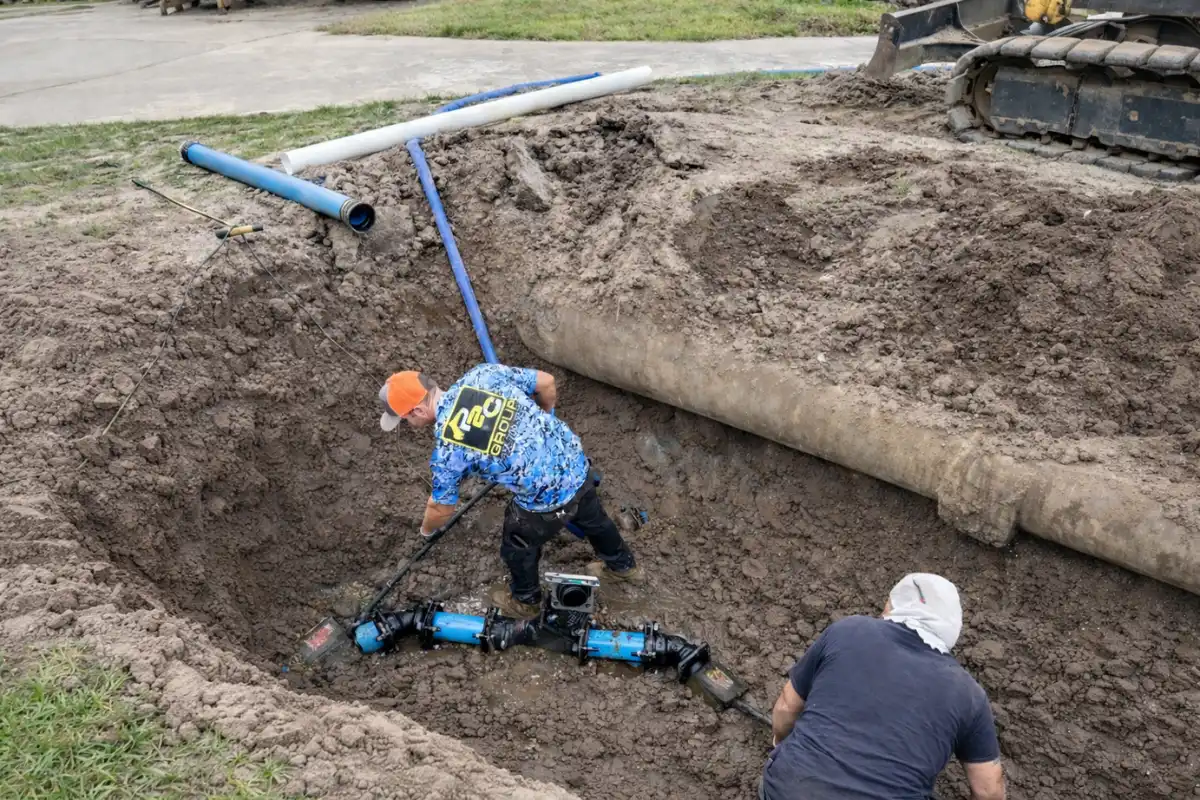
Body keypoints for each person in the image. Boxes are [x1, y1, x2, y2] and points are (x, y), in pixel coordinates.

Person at [377, 363, 642, 620]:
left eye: (404, 419)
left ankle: (525, 602)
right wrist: (544, 417)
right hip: (575, 463)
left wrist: (426, 531)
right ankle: (624, 568)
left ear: (419, 411)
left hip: (545, 499)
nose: (406, 424)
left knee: (517, 543)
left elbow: (441, 508)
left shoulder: (447, 449)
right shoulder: (483, 374)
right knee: (594, 518)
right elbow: (546, 382)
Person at [759, 573, 1005, 800]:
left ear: (892, 606)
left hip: (787, 790)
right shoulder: (968, 693)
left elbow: (786, 707)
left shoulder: (846, 632)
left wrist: (783, 745)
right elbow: (989, 789)